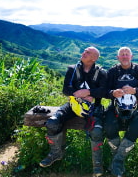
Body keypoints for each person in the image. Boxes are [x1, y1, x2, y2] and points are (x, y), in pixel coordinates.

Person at [40, 47, 107, 177]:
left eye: (88, 53)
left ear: (94, 58)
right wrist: (79, 94)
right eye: (84, 51)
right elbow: (65, 90)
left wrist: (89, 92)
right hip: (73, 105)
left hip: (94, 108)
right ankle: (55, 153)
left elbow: (104, 91)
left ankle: (97, 164)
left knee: (97, 131)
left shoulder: (101, 72)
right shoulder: (72, 69)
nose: (83, 53)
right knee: (52, 122)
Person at [104, 47, 138, 177]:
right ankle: (117, 160)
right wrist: (113, 93)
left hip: (136, 106)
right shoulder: (113, 71)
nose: (124, 56)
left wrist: (136, 90)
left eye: (127, 54)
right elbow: (104, 91)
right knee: (109, 125)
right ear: (118, 58)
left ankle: (117, 161)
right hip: (115, 106)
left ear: (131, 56)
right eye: (122, 55)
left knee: (135, 128)